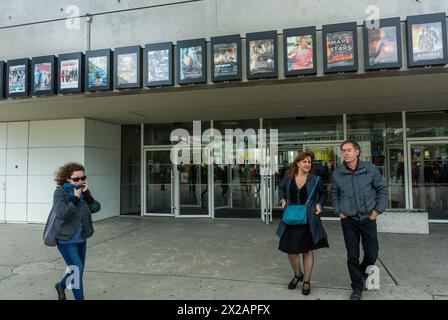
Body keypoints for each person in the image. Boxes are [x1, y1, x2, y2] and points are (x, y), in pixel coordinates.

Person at [331, 140, 388, 300]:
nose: (346, 153)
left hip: (368, 217)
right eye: (343, 150)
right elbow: (334, 194)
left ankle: (361, 274)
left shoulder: (369, 169)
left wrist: (377, 211)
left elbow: (382, 189)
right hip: (348, 220)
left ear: (357, 152)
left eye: (349, 150)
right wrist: (338, 211)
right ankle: (357, 287)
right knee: (352, 255)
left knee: (372, 253)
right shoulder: (338, 173)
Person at [276, 152, 329, 295]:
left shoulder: (316, 179)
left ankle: (306, 280)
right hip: (290, 218)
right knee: (290, 250)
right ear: (298, 163)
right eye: (304, 161)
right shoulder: (288, 177)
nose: (307, 164)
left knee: (307, 250)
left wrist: (319, 204)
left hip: (308, 218)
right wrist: (282, 199)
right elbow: (280, 188)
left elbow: (323, 194)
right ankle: (298, 273)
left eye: (309, 162)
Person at [52, 162, 101, 300]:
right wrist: (75, 198)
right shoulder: (60, 192)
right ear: (67, 178)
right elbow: (62, 213)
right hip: (66, 240)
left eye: (83, 178)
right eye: (76, 179)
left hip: (82, 238)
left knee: (77, 272)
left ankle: (61, 286)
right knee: (76, 270)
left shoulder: (83, 190)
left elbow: (96, 208)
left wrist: (87, 194)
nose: (80, 181)